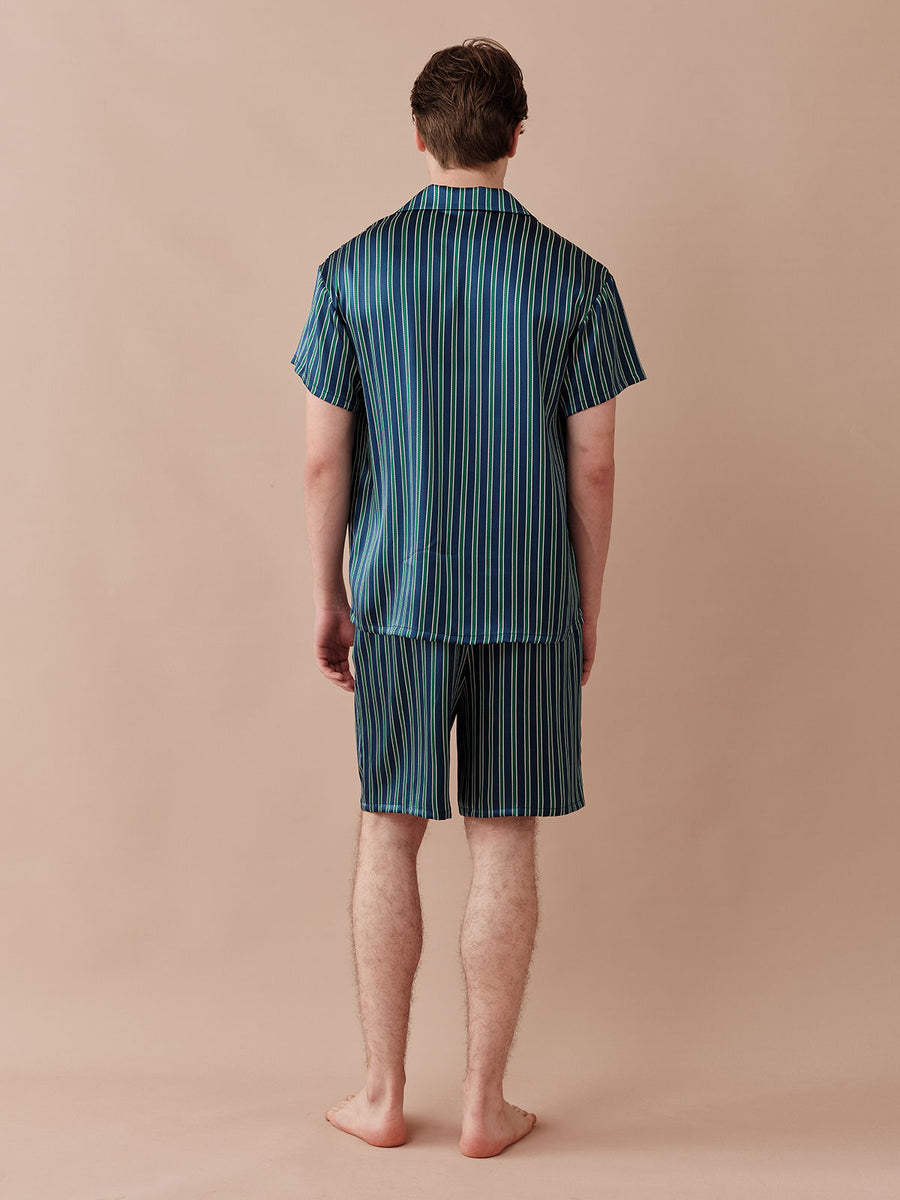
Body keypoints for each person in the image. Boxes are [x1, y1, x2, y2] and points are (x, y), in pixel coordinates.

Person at [290, 37, 647, 1157]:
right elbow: (595, 466)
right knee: (505, 840)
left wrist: (330, 595)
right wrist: (586, 605)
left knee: (388, 833)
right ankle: (488, 1107)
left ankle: (382, 1096)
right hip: (530, 599)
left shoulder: (352, 272)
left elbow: (322, 460)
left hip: (396, 596)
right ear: (516, 135)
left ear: (420, 136)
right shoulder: (578, 279)